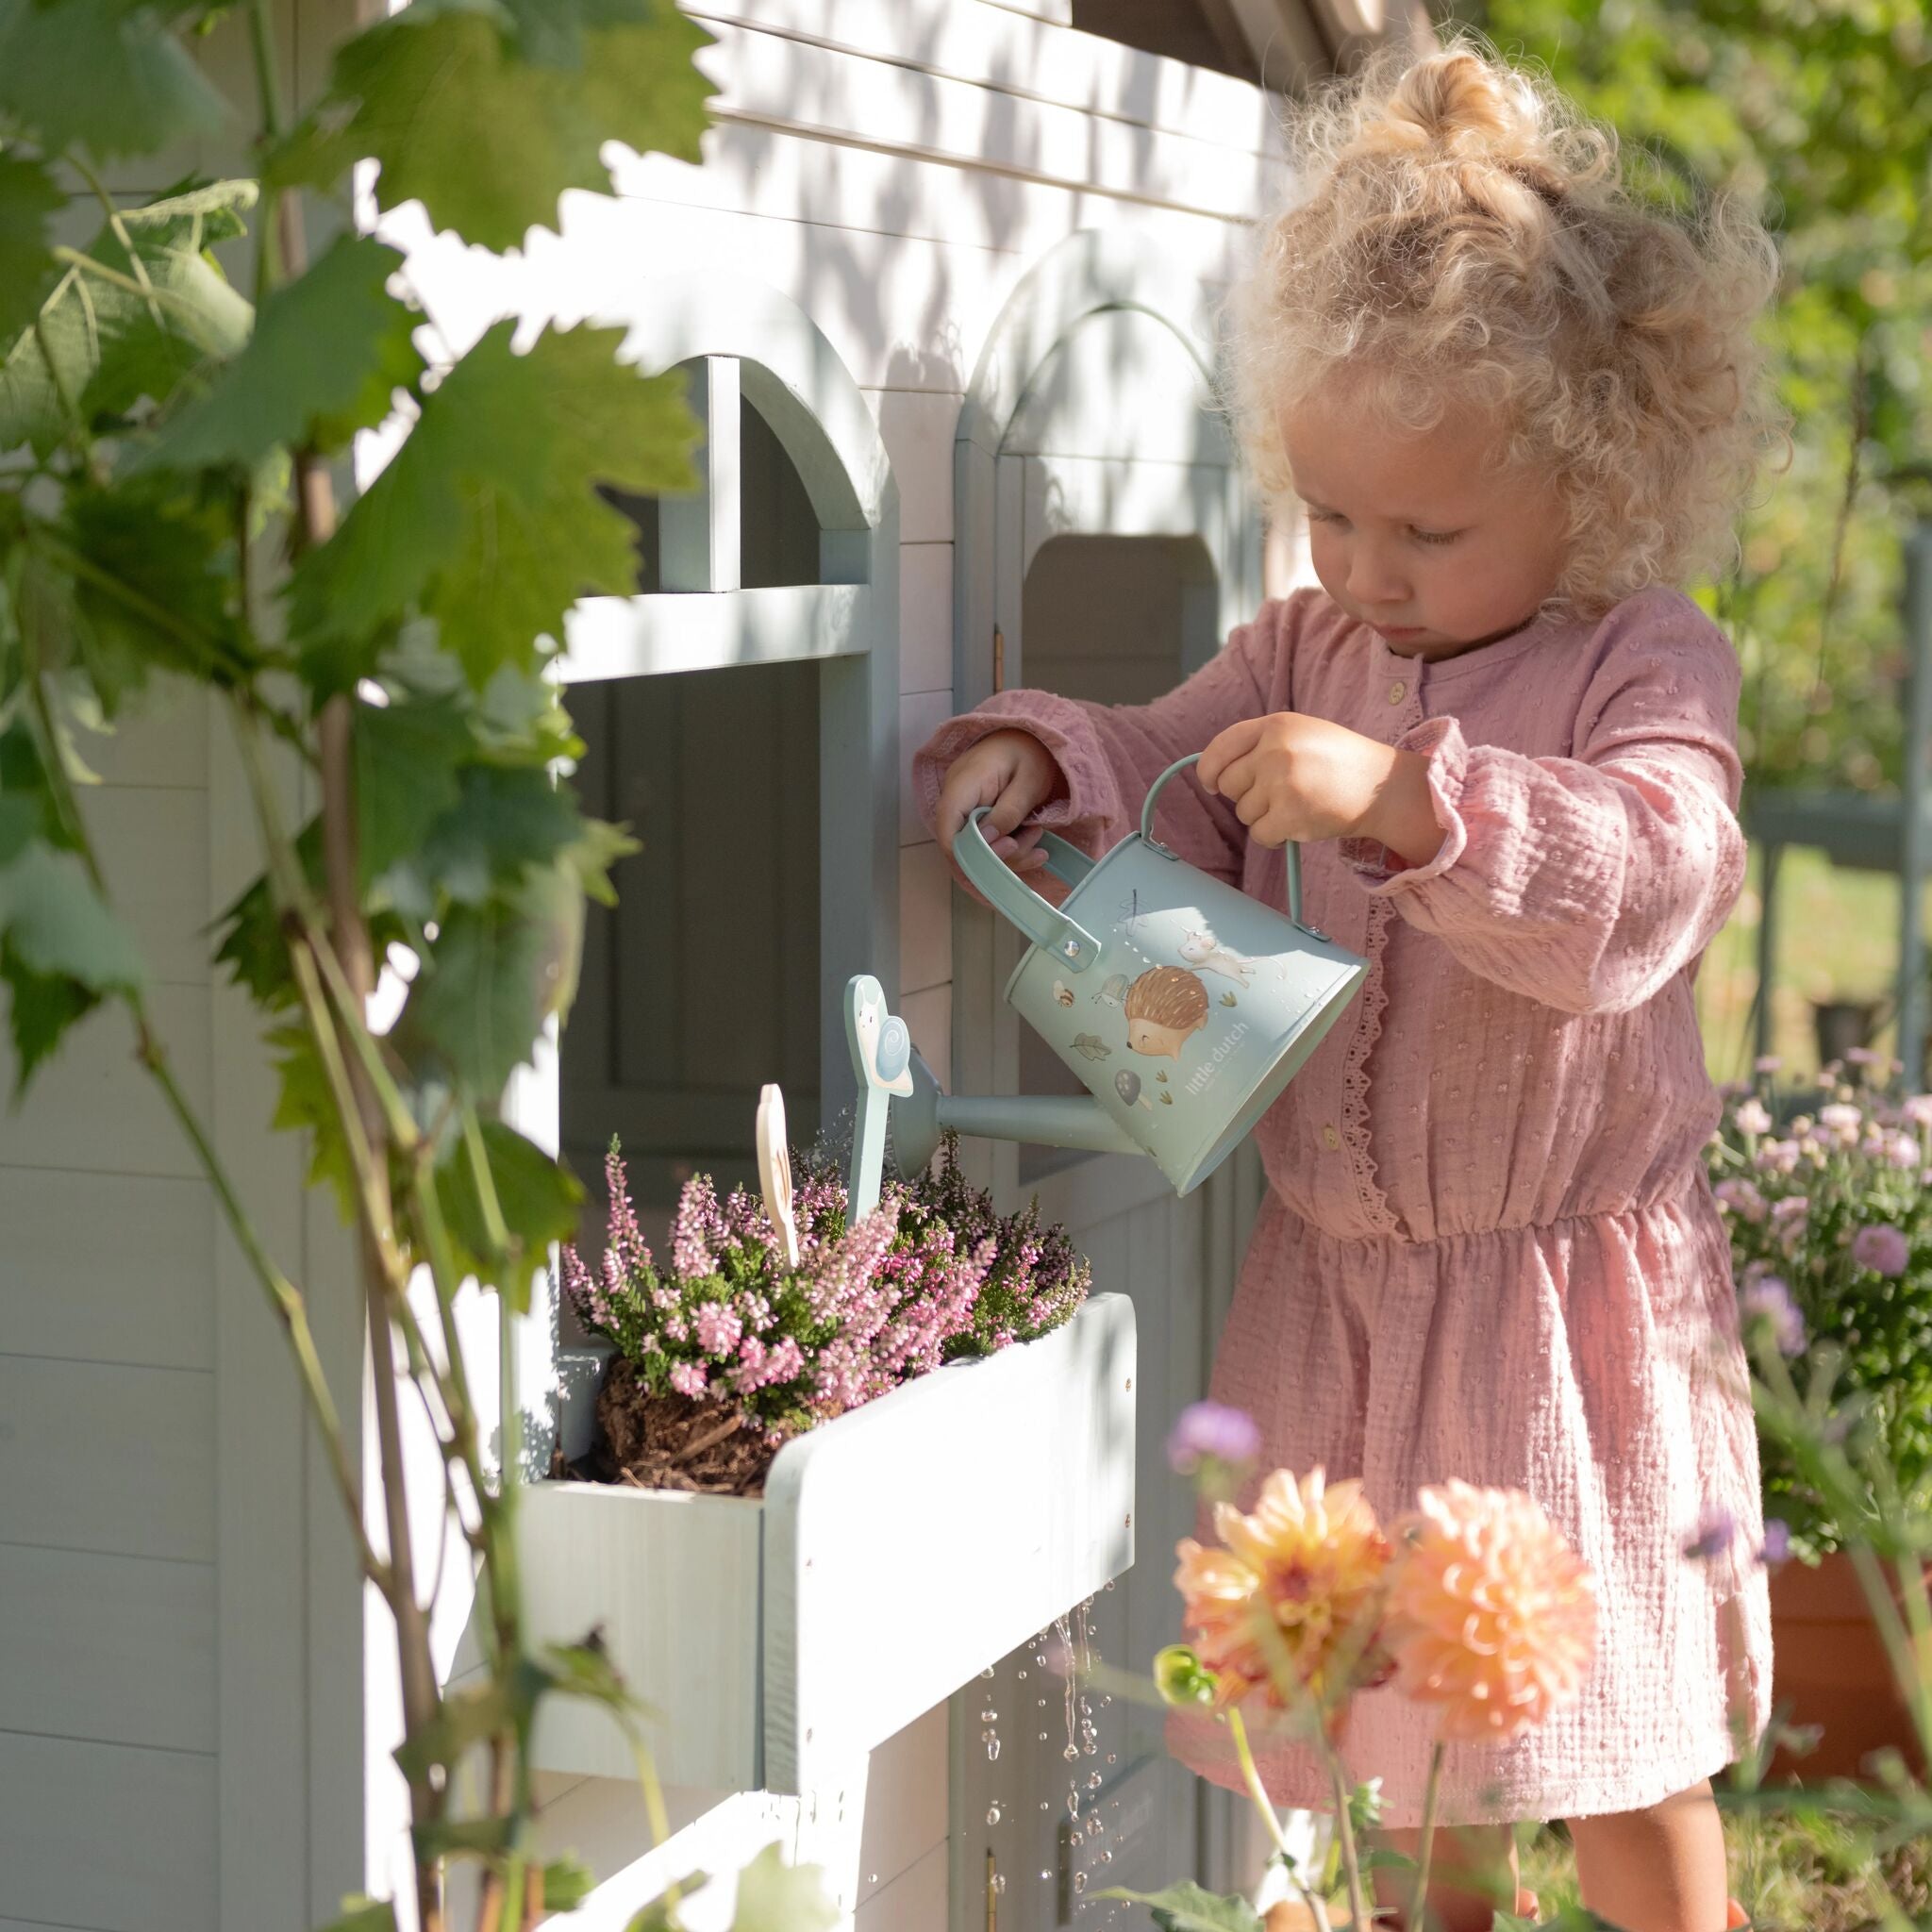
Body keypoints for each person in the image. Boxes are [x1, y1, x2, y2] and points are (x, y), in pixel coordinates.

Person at [915, 40, 1782, 1932]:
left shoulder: (1645, 660)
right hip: (1348, 1285)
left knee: (1613, 1726)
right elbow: (1172, 764)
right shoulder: (1307, 644)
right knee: (1401, 1730)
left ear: (1598, 476)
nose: (1367, 571)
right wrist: (1047, 759)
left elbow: (1652, 873)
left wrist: (1402, 798)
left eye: (1427, 529)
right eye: (1332, 511)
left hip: (1557, 1299)